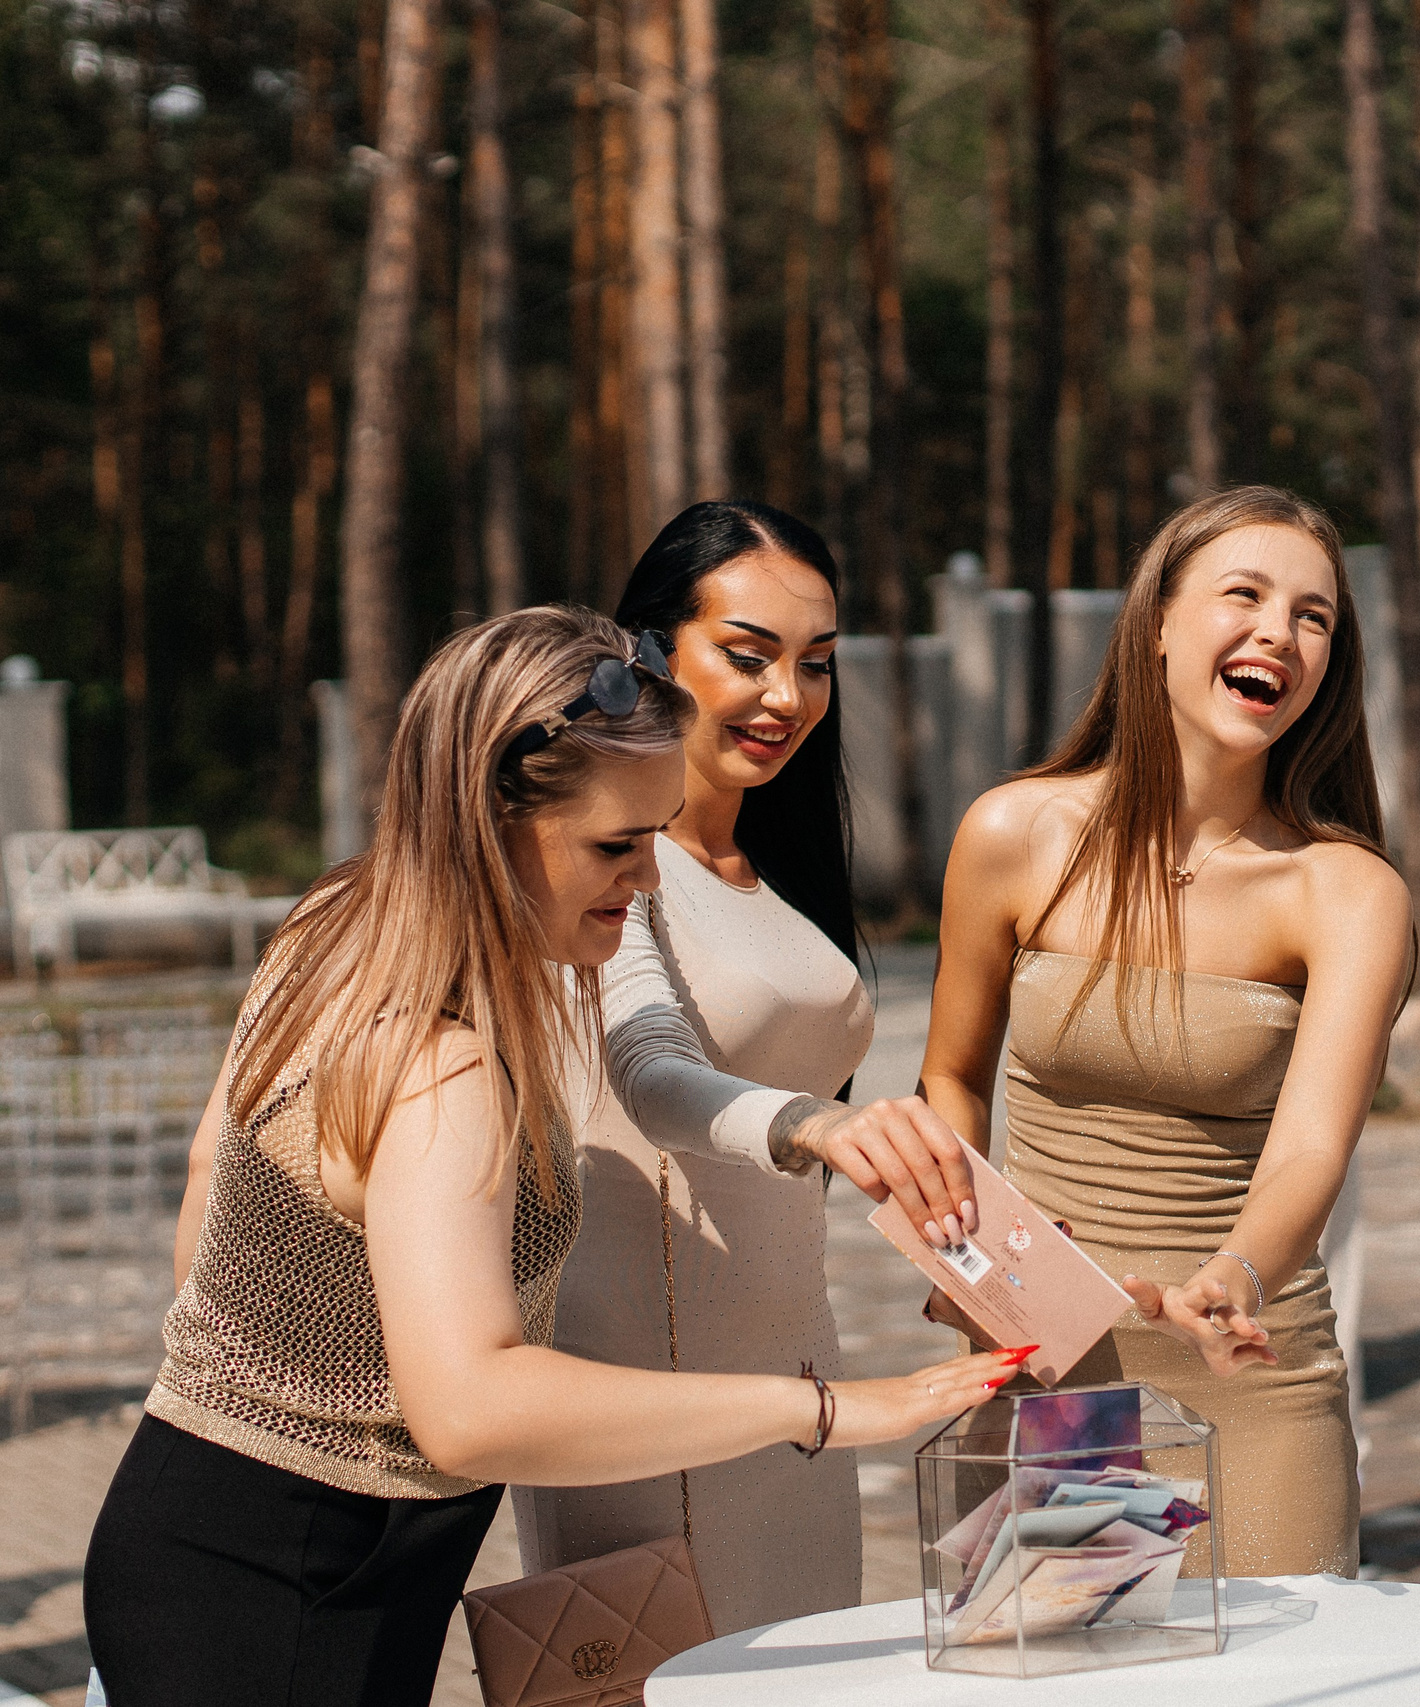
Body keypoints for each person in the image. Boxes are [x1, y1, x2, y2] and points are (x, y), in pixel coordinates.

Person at [83, 606, 1012, 1707]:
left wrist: (255, 1383)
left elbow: (209, 1191)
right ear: (491, 819)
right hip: (297, 1576)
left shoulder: (337, 919)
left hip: (204, 1520)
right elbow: (471, 1408)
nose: (650, 882)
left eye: (658, 838)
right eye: (617, 846)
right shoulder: (442, 1067)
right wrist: (820, 1410)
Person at [916, 486, 1410, 1577]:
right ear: (1156, 628)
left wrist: (1237, 1273)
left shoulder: (1344, 891)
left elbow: (1311, 1150)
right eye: (1246, 595)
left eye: (1314, 616)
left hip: (1250, 1381)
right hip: (1047, 1369)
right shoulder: (1015, 833)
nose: (1279, 631)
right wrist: (959, 1245)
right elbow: (950, 1079)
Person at [511, 503, 977, 1633]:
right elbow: (648, 1067)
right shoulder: (611, 863)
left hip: (795, 1388)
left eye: (815, 665)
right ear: (650, 649)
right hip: (645, 1393)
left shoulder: (769, 870)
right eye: (747, 654)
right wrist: (813, 1125)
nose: (788, 697)